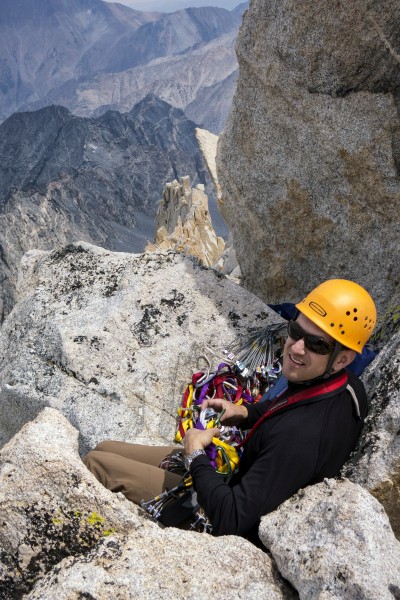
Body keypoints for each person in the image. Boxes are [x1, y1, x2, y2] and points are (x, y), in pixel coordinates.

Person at [83, 279, 376, 543]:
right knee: (105, 446)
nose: (297, 348)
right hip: (230, 477)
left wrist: (196, 455)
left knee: (98, 463)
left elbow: (232, 519)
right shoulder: (344, 385)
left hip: (217, 511)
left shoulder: (302, 437)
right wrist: (244, 412)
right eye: (296, 330)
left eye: (317, 344)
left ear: (342, 359)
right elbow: (289, 406)